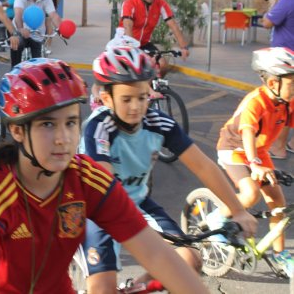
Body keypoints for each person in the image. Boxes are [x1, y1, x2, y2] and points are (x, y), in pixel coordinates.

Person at [0, 58, 212, 294]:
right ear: (17, 131)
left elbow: (156, 254)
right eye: (48, 124)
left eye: (71, 122)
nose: (64, 139)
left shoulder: (86, 178)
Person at [79, 46, 257, 293]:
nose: (135, 107)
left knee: (189, 259)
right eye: (126, 99)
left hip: (137, 202)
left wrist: (237, 210)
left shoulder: (159, 123)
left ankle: (133, 288)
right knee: (102, 288)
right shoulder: (99, 128)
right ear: (107, 98)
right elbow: (104, 185)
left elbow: (204, 167)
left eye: (142, 97)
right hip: (100, 209)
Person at [214, 47, 294, 277]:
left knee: (278, 204)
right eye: (292, 83)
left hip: (259, 152)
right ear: (272, 84)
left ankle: (280, 254)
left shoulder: (287, 102)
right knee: (250, 193)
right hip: (234, 149)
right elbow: (247, 133)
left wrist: (259, 160)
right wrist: (256, 164)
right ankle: (217, 217)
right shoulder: (255, 101)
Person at [120, 0, 190, 74]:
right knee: (134, 70)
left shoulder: (161, 4)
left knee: (163, 66)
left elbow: (173, 25)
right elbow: (128, 26)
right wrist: (132, 49)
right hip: (125, 43)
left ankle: (155, 86)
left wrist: (183, 47)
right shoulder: (130, 3)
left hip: (144, 43)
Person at [262, 0, 294, 159]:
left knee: (280, 103)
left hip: (284, 59)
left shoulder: (288, 0)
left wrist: (273, 5)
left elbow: (267, 22)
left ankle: (278, 147)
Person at [10, 0, 62, 68]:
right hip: (22, 31)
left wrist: (62, 29)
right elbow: (18, 14)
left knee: (38, 67)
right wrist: (21, 29)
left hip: (37, 34)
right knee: (17, 45)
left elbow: (53, 15)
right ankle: (13, 73)